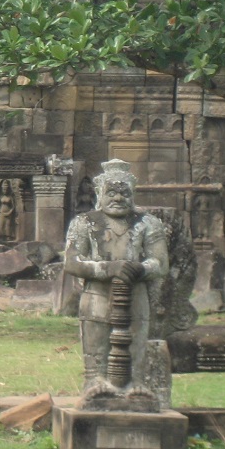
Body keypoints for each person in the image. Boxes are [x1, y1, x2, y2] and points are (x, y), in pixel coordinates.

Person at [63, 158, 168, 397]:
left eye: (124, 193)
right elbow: (72, 262)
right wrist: (108, 269)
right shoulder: (85, 222)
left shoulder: (148, 223)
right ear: (100, 193)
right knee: (97, 340)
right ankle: (94, 380)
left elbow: (160, 263)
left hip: (135, 292)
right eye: (111, 192)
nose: (118, 198)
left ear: (133, 193)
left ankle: (137, 382)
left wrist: (139, 269)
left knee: (136, 337)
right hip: (97, 294)